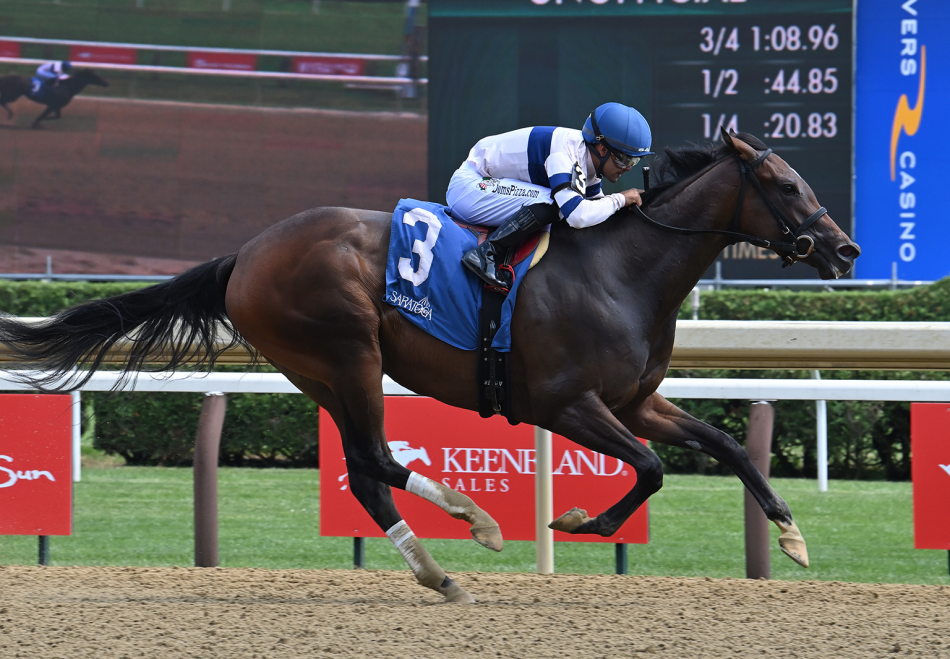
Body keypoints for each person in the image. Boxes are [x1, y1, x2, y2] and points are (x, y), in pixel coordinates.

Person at [447, 102, 653, 290]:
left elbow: (596, 208)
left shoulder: (588, 162)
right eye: (625, 160)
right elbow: (578, 215)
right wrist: (620, 199)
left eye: (634, 162)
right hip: (470, 187)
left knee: (562, 202)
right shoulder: (564, 155)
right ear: (602, 149)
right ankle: (486, 253)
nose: (627, 169)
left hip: (487, 184)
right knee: (556, 202)